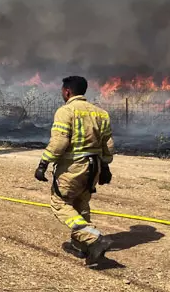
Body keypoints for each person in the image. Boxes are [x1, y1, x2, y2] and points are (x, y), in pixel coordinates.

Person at [34, 75, 115, 267]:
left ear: (67, 91)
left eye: (63, 90)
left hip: (73, 167)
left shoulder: (66, 111)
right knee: (81, 203)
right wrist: (105, 167)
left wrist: (43, 163)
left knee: (60, 203)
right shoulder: (101, 113)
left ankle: (93, 239)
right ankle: (81, 247)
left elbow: (60, 142)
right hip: (93, 167)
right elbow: (108, 145)